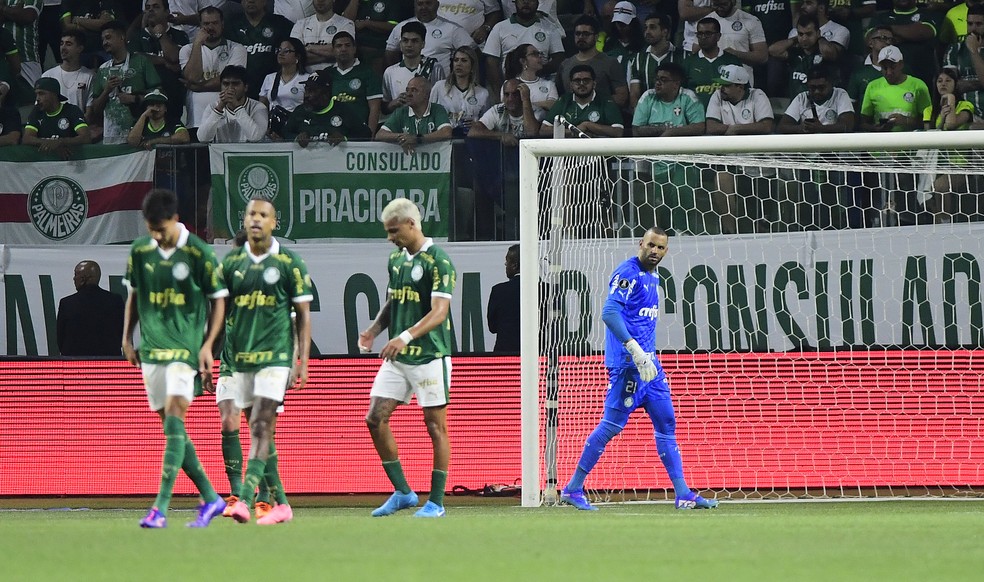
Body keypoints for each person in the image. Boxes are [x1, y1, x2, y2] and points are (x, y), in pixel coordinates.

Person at [560, 227, 719, 512]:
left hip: (650, 367)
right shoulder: (628, 273)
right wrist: (635, 351)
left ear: (666, 251)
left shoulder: (653, 275)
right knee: (611, 426)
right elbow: (609, 312)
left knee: (667, 422)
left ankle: (683, 493)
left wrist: (649, 359)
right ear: (640, 244)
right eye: (650, 245)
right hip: (628, 365)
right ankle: (573, 487)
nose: (654, 251)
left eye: (660, 247)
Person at [122, 188, 228, 529]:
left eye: (162, 229)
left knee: (174, 423)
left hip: (184, 350)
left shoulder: (198, 252)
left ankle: (160, 509)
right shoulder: (140, 251)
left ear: (175, 220)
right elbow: (134, 294)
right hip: (151, 351)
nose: (157, 236)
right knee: (173, 430)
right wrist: (126, 337)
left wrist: (208, 345)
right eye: (151, 229)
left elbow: (219, 301)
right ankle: (211, 498)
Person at [358, 197, 456, 518]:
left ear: (412, 224)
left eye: (393, 231)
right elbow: (393, 302)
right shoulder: (396, 260)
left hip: (430, 356)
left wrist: (404, 336)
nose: (389, 238)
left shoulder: (439, 261)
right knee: (374, 418)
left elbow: (439, 311)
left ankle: (437, 502)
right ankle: (403, 491)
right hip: (398, 358)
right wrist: (374, 329)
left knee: (434, 427)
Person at [220, 196, 313, 525]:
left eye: (263, 215)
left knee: (259, 425)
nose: (256, 221)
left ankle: (247, 498)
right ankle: (281, 503)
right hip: (236, 359)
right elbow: (218, 315)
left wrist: (299, 360)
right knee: (249, 426)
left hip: (274, 357)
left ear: (275, 222)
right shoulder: (232, 268)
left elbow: (299, 318)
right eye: (251, 215)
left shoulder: (288, 265)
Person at [87, 20, 162, 144]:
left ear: (122, 37)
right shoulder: (103, 69)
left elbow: (158, 96)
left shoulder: (141, 62)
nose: (105, 42)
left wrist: (134, 99)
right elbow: (95, 109)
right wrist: (106, 91)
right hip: (111, 135)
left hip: (140, 133)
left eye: (108, 38)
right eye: (103, 40)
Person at [179, 5, 248, 133]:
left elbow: (230, 83)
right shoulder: (187, 50)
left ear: (222, 24)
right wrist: (198, 43)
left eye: (215, 23)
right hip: (197, 118)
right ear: (200, 25)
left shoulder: (237, 49)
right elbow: (192, 77)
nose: (210, 27)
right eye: (206, 23)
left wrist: (198, 87)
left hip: (228, 117)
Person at [127, 0, 190, 126]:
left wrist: (161, 35)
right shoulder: (136, 37)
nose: (150, 10)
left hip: (173, 99)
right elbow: (136, 59)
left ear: (167, 12)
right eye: (147, 7)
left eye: (156, 7)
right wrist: (164, 62)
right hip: (144, 101)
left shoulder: (180, 35)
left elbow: (174, 57)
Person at [224, 0, 294, 99]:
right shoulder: (230, 25)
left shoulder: (281, 24)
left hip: (272, 89)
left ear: (265, 1)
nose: (251, 1)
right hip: (239, 89)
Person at [282, 69, 372, 146]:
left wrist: (344, 138)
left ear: (326, 93)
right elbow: (285, 132)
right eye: (306, 90)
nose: (306, 95)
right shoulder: (300, 111)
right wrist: (297, 138)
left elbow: (366, 134)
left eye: (312, 90)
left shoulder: (343, 110)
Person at [557, 15, 628, 108]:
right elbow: (560, 97)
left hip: (601, 117)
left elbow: (622, 98)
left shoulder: (610, 63)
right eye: (577, 34)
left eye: (586, 34)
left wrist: (590, 102)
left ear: (596, 36)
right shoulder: (565, 65)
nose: (581, 37)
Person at [384, 0, 475, 72]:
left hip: (440, 86)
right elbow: (391, 53)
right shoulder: (401, 27)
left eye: (428, 3)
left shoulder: (452, 29)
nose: (424, 7)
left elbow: (473, 53)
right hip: (408, 85)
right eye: (420, 4)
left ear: (437, 4)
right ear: (415, 5)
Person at [56, 260, 124, 356]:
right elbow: (122, 332)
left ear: (83, 279)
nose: (74, 279)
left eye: (76, 275)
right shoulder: (115, 301)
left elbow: (61, 339)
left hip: (74, 364)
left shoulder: (67, 303)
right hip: (108, 364)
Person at [381, 20, 445, 115]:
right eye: (405, 40)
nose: (409, 45)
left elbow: (442, 100)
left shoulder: (434, 68)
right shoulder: (390, 72)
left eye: (414, 41)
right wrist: (395, 103)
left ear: (422, 44)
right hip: (401, 124)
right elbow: (384, 108)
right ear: (400, 43)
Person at [376, 76, 453, 153]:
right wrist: (403, 137)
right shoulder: (401, 112)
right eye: (407, 90)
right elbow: (380, 135)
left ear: (426, 95)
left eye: (414, 90)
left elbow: (446, 132)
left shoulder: (437, 109)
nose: (408, 94)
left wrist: (418, 139)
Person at [328, 31, 383, 135]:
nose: (343, 49)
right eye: (339, 46)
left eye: (347, 45)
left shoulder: (368, 73)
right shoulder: (327, 74)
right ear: (333, 50)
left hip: (358, 132)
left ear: (354, 49)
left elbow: (375, 108)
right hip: (332, 132)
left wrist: (369, 134)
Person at [197, 64, 268, 143]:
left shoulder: (258, 107)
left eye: (235, 84)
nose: (230, 88)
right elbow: (203, 138)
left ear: (245, 87)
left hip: (249, 154)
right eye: (226, 84)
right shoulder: (212, 107)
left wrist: (237, 106)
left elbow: (256, 137)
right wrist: (219, 107)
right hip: (221, 154)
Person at [22, 77, 92, 155]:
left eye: (41, 94)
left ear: (54, 94)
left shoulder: (72, 110)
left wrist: (61, 142)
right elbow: (27, 138)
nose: (37, 99)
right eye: (36, 94)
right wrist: (50, 143)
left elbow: (86, 137)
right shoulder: (36, 112)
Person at [429, 45, 489, 136]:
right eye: (456, 60)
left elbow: (487, 123)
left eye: (464, 60)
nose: (459, 64)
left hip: (471, 141)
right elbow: (429, 114)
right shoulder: (439, 87)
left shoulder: (482, 93)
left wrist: (477, 125)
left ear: (472, 66)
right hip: (443, 140)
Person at [259, 37, 310, 139]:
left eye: (286, 51)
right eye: (279, 50)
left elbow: (310, 108)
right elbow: (261, 107)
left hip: (296, 128)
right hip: (272, 129)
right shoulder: (270, 78)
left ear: (298, 56)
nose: (281, 53)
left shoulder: (307, 78)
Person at [289, 0, 355, 72]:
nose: (320, 1)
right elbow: (293, 55)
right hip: (304, 77)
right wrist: (330, 57)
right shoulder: (300, 24)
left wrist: (308, 48)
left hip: (335, 77)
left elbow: (344, 52)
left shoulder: (346, 24)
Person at [41, 31, 93, 110]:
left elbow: (90, 110)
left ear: (80, 48)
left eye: (68, 44)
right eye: (61, 44)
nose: (63, 47)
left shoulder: (89, 76)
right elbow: (40, 107)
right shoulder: (48, 76)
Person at [503, 43, 557, 118]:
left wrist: (525, 103)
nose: (540, 57)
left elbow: (553, 105)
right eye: (534, 54)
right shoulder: (509, 84)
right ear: (523, 61)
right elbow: (507, 106)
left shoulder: (549, 84)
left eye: (539, 53)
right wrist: (542, 104)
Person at [486, 244, 520, 353]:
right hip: (536, 355)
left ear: (514, 265)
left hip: (505, 355)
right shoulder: (543, 289)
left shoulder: (498, 291)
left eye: (507, 261)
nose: (505, 264)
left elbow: (493, 327)